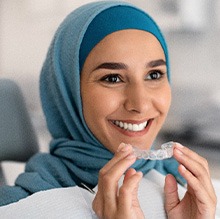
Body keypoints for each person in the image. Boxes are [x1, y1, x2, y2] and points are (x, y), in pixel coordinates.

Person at [0, 1, 216, 218]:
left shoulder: (191, 194)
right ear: (67, 91)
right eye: (112, 78)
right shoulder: (20, 208)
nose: (140, 105)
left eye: (154, 75)